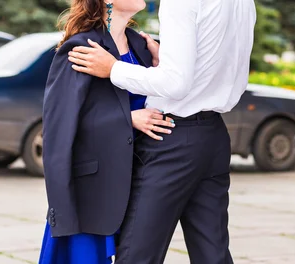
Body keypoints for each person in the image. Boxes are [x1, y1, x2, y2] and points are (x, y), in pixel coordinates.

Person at [68, 0, 257, 263]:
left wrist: (113, 68)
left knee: (138, 255)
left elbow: (176, 84)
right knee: (212, 253)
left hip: (171, 139)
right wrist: (168, 64)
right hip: (213, 135)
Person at [39, 0, 174, 263]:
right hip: (91, 192)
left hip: (136, 184)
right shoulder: (82, 47)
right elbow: (60, 126)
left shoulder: (142, 47)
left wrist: (161, 68)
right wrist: (128, 119)